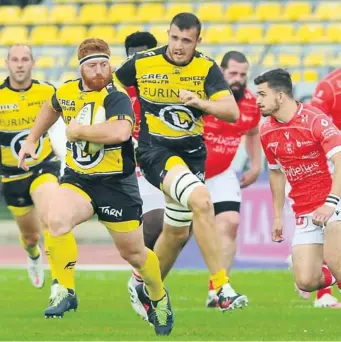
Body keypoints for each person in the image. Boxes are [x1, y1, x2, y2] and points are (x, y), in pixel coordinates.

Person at [18, 38, 174, 336]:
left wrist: (78, 131)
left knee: (135, 255)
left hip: (116, 184)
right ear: (81, 69)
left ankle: (158, 296)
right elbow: (50, 108)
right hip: (80, 179)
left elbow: (121, 131)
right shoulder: (66, 91)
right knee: (55, 219)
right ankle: (65, 289)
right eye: (93, 66)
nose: (101, 70)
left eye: (105, 64)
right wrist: (31, 139)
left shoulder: (116, 96)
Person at [113, 12, 247, 317]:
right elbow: (114, 84)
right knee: (201, 199)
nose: (178, 46)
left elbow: (231, 112)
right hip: (154, 151)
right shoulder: (145, 61)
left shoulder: (206, 67)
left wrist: (201, 103)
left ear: (198, 41)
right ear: (168, 34)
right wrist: (122, 115)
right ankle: (222, 287)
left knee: (176, 232)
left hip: (191, 154)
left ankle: (142, 285)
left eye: (186, 40)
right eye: (174, 38)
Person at [256, 68, 341, 301]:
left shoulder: (315, 120)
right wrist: (276, 216)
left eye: (262, 95)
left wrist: (331, 203)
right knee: (306, 280)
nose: (258, 101)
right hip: (305, 209)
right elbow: (276, 173)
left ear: (280, 96)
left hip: (333, 200)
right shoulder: (266, 131)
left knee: (336, 261)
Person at [0, 44, 63, 294]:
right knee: (31, 237)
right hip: (13, 176)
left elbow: (70, 116)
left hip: (44, 167)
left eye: (25, 59)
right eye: (15, 59)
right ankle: (34, 256)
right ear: (7, 63)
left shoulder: (47, 91)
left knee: (51, 220)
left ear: (33, 63)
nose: (20, 64)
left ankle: (61, 285)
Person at [204, 51, 261, 307]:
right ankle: (147, 286)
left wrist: (256, 164)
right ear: (221, 71)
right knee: (172, 232)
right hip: (187, 171)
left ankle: (217, 291)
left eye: (242, 75)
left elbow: (252, 130)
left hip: (221, 172)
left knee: (230, 222)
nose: (238, 79)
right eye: (233, 74)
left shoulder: (250, 102)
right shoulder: (204, 94)